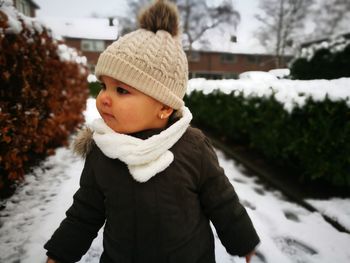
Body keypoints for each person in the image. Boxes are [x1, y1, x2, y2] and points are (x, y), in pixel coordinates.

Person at [44, 0, 260, 262]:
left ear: (165, 107)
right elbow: (85, 211)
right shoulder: (103, 149)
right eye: (104, 85)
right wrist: (59, 253)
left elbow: (222, 200)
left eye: (121, 90)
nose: (104, 98)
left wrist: (244, 241)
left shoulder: (192, 147)